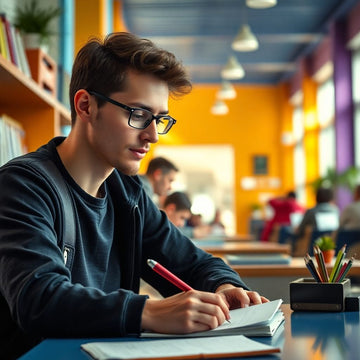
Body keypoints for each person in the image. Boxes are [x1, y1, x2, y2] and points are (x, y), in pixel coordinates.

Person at [0, 32, 267, 359]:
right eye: (138, 114)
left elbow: (190, 261)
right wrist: (150, 312)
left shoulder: (128, 193)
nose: (153, 135)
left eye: (160, 119)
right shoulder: (24, 186)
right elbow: (39, 298)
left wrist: (224, 285)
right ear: (86, 105)